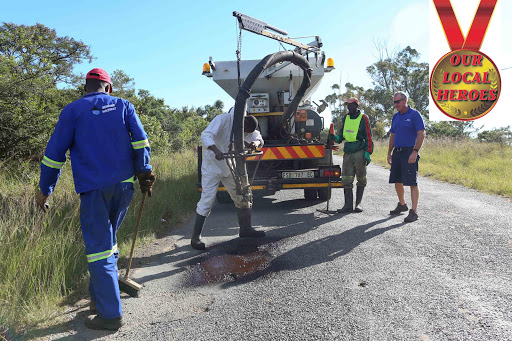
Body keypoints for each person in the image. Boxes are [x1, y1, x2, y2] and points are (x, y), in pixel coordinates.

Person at [35, 68, 155, 330]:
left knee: (99, 249)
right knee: (108, 243)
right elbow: (141, 142)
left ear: (85, 88)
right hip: (124, 187)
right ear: (108, 88)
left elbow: (54, 155)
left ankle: (110, 316)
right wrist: (144, 172)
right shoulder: (124, 106)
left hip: (93, 189)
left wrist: (46, 189)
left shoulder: (73, 110)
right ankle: (98, 299)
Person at [192, 107, 265, 250]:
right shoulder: (222, 120)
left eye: (246, 133)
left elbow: (257, 136)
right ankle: (195, 238)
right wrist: (216, 150)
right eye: (244, 131)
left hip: (229, 165)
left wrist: (256, 143)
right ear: (241, 122)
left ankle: (245, 229)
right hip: (212, 166)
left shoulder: (245, 127)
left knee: (243, 194)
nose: (244, 134)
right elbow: (206, 135)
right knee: (207, 199)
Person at [329, 97, 373, 213]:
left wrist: (368, 152)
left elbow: (368, 136)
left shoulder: (363, 118)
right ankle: (348, 205)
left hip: (359, 151)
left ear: (356, 106)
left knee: (361, 178)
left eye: (351, 105)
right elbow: (341, 136)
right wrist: (335, 138)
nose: (349, 107)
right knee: (346, 178)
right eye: (348, 105)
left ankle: (358, 204)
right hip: (348, 152)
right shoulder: (345, 117)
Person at [387, 91, 425, 222]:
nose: (396, 104)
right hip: (397, 152)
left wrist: (415, 151)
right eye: (394, 102)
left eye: (397, 102)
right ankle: (402, 205)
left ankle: (414, 212)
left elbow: (421, 134)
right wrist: (389, 152)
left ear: (405, 101)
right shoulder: (395, 117)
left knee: (411, 182)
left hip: (410, 151)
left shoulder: (414, 115)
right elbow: (392, 135)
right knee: (397, 180)